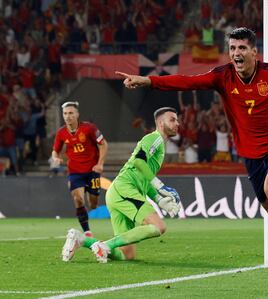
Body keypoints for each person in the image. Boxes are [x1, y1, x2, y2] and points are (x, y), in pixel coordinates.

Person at [115, 27, 268, 288]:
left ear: (254, 52)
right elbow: (185, 81)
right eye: (233, 48)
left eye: (242, 48)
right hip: (250, 154)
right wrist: (148, 80)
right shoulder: (221, 77)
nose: (236, 53)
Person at [61, 107, 181, 263]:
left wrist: (159, 199)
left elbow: (144, 176)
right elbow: (139, 161)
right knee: (159, 227)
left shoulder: (159, 146)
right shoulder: (155, 138)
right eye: (172, 119)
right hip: (125, 189)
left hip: (118, 192)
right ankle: (104, 245)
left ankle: (81, 240)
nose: (177, 123)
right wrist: (161, 186)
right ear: (160, 122)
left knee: (126, 255)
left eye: (177, 120)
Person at [52, 101, 108, 240]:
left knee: (93, 204)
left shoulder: (89, 128)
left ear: (77, 114)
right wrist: (56, 158)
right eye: (65, 113)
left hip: (93, 171)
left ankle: (92, 192)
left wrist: (100, 164)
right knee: (78, 199)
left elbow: (103, 144)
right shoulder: (61, 133)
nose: (68, 116)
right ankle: (87, 231)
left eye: (71, 113)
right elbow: (55, 151)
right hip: (75, 172)